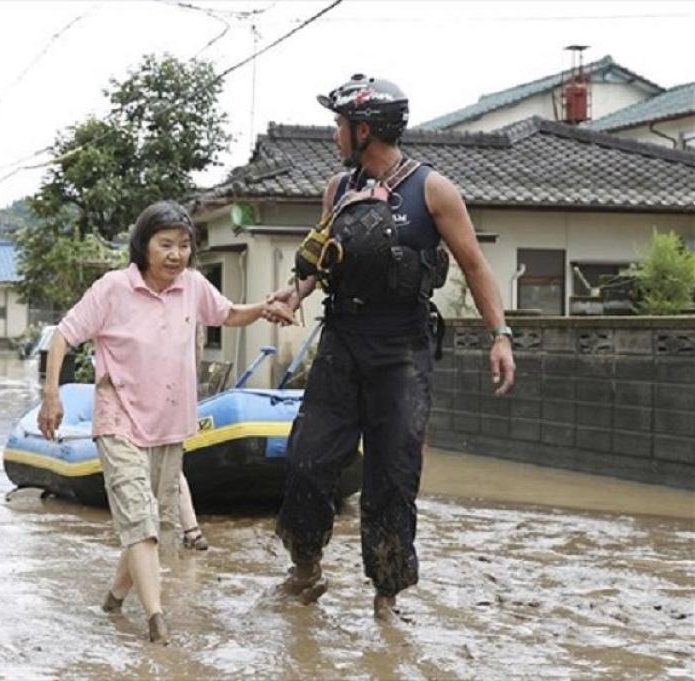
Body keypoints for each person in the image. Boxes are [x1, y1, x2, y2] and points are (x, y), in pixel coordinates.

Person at [266, 74, 516, 620]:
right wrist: (294, 290)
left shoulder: (433, 191)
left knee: (393, 477)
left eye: (340, 124)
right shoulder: (337, 189)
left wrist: (500, 335)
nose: (334, 133)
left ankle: (386, 598)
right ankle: (305, 571)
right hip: (341, 342)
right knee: (307, 462)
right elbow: (321, 259)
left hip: (403, 349)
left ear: (365, 130)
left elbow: (475, 266)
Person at [38, 200, 294, 644]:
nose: (176, 254)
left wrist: (265, 308)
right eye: (165, 245)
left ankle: (114, 601)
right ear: (144, 246)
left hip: (170, 422)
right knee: (139, 517)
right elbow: (64, 333)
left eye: (184, 245)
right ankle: (156, 620)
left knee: (152, 521)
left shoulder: (193, 286)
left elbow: (228, 313)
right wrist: (51, 393)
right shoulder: (114, 288)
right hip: (118, 415)